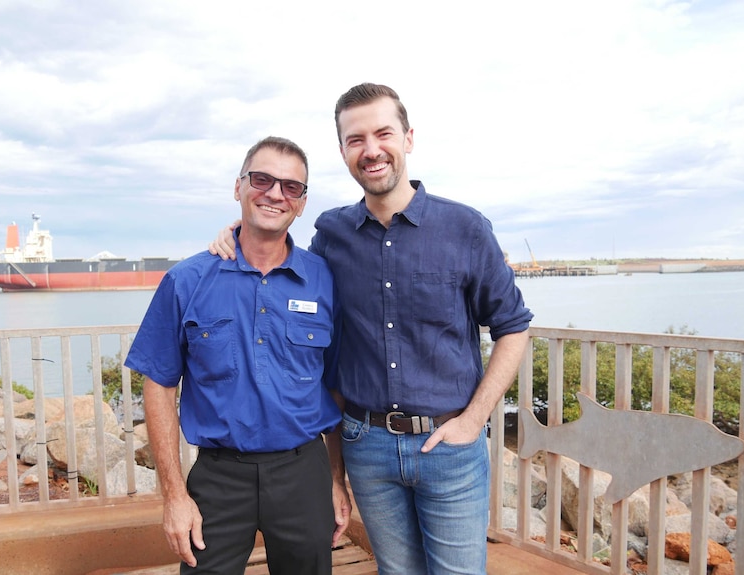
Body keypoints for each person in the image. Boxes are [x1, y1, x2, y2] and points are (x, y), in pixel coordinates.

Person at [210, 84, 533, 575]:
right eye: (355, 139)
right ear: (343, 152)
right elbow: (280, 267)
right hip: (367, 447)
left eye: (383, 133)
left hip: (449, 446)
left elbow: (513, 326)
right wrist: (236, 232)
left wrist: (473, 421)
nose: (371, 149)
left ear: (408, 138)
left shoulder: (465, 229)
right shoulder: (331, 235)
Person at [126, 136, 350, 575]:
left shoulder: (325, 280)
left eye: (291, 187)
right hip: (218, 477)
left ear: (302, 203)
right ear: (238, 187)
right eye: (262, 179)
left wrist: (336, 481)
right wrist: (174, 497)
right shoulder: (186, 281)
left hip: (304, 472)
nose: (274, 194)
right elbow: (158, 386)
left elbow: (336, 386)